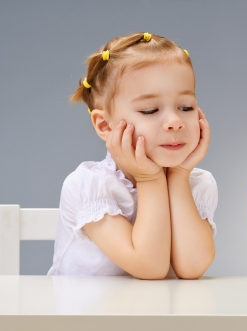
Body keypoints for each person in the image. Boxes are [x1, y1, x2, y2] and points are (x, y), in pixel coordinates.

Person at [47, 32, 218, 280]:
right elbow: (150, 267)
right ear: (105, 126)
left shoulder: (197, 184)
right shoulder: (88, 186)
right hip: (88, 316)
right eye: (150, 110)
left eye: (186, 107)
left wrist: (179, 177)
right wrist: (150, 179)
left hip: (153, 316)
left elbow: (192, 267)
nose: (175, 122)